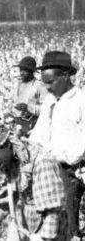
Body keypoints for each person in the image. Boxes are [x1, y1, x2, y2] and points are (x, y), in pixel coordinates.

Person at [0, 124, 70, 241]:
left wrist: (44, 238)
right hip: (27, 226)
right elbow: (5, 202)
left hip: (49, 230)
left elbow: (53, 213)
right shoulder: (12, 162)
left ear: (6, 144)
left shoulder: (42, 162)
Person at [29, 51, 85, 238]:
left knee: (69, 223)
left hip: (71, 171)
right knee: (48, 221)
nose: (48, 88)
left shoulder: (80, 101)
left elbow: (80, 147)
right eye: (45, 83)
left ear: (65, 75)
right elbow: (39, 135)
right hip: (49, 169)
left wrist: (56, 155)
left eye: (51, 82)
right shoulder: (49, 101)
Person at [11, 56, 48, 136]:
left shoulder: (39, 85)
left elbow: (46, 110)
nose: (21, 73)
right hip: (17, 125)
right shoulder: (17, 84)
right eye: (21, 70)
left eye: (25, 70)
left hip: (32, 127)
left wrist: (28, 108)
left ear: (32, 72)